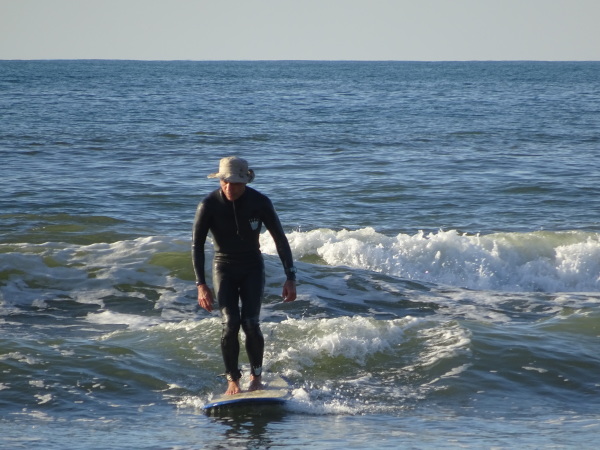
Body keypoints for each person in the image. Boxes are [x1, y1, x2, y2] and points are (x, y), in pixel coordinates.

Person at [192, 156, 297, 395]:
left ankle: (256, 377)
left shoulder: (260, 202)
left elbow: (280, 239)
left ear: (246, 182)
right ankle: (233, 380)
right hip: (223, 267)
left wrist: (290, 277)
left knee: (250, 323)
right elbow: (197, 246)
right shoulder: (208, 205)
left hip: (252, 266)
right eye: (225, 182)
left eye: (236, 183)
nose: (229, 188)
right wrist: (201, 285)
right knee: (230, 324)